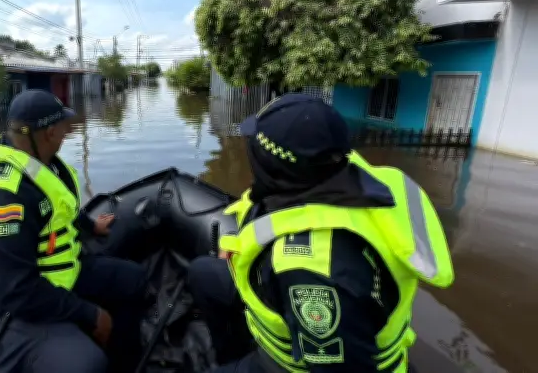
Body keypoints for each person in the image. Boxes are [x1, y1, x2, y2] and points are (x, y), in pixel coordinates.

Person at [187, 93, 455, 372]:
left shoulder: (313, 273)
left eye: (255, 148)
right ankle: (229, 355)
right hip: (280, 289)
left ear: (276, 165)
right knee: (203, 273)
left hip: (289, 364)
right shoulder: (342, 171)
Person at [0, 89, 147, 373]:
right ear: (49, 132)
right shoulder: (2, 195)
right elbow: (16, 289)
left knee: (132, 280)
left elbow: (57, 208)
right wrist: (91, 315)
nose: (67, 131)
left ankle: (125, 364)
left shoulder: (39, 164)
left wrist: (89, 225)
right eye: (64, 126)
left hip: (50, 273)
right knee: (84, 364)